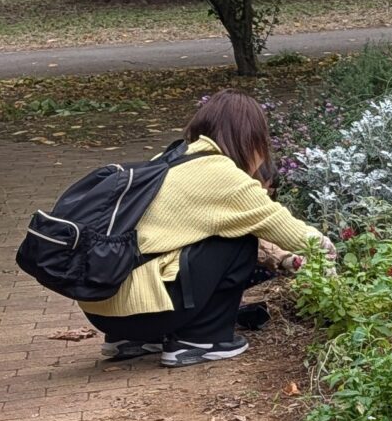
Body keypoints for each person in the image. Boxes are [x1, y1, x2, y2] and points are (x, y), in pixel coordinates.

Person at [82, 91, 329, 366]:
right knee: (239, 241)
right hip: (146, 312)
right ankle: (200, 339)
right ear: (251, 139)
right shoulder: (223, 175)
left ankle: (130, 341)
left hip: (102, 309)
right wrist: (330, 251)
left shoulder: (168, 158)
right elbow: (289, 231)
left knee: (175, 246)